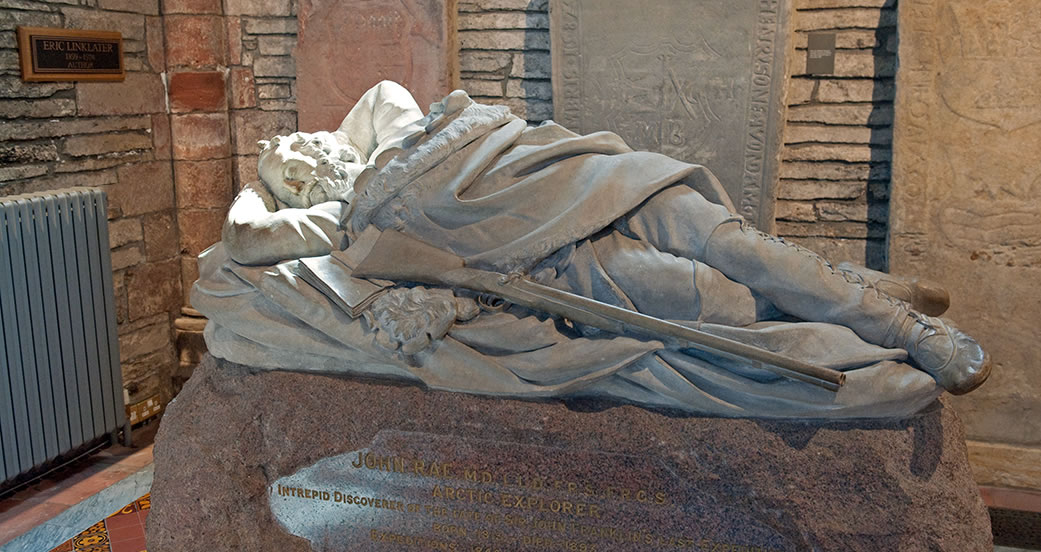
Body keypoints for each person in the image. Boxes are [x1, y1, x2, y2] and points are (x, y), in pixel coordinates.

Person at [193, 81, 989, 419]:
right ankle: (855, 312)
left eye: (298, 147)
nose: (303, 162)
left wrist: (308, 155)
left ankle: (914, 332)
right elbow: (243, 237)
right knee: (717, 301)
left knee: (741, 248)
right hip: (562, 264)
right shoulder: (345, 225)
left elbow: (374, 102)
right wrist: (262, 190)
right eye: (291, 178)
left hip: (596, 184)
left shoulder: (400, 122)